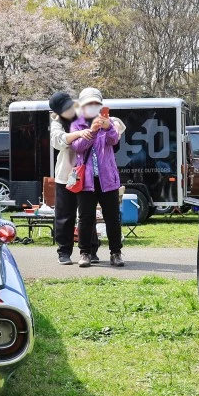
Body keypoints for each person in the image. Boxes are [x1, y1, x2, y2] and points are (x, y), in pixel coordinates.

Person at [68, 87, 125, 268]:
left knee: (112, 217)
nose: (93, 107)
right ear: (83, 106)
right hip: (86, 180)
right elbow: (78, 147)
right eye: (89, 104)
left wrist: (108, 128)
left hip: (107, 179)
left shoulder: (109, 122)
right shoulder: (77, 124)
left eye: (96, 104)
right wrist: (92, 131)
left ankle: (116, 253)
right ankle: (85, 253)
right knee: (85, 218)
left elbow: (114, 141)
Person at [48, 91, 85, 266]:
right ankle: (63, 251)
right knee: (64, 215)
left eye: (70, 105)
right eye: (65, 109)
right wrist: (80, 134)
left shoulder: (85, 115)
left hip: (88, 174)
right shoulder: (57, 124)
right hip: (66, 175)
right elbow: (58, 141)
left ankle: (90, 249)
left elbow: (116, 125)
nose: (69, 110)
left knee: (87, 214)